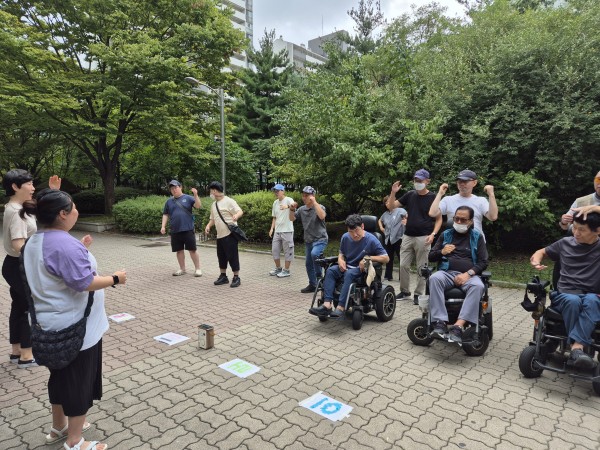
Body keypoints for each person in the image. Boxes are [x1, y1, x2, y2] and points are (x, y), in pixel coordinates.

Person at [21, 188, 127, 450]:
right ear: (62, 214)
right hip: (75, 329)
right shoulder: (63, 244)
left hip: (49, 326)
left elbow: (55, 268)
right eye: (74, 207)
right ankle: (75, 441)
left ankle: (59, 427)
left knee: (60, 378)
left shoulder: (35, 240)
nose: (77, 211)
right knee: (79, 383)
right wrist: (115, 278)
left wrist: (80, 249)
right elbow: (84, 282)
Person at [2, 170, 61, 368]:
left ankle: (17, 351)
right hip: (19, 265)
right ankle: (27, 355)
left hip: (13, 265)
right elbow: (18, 244)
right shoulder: (16, 212)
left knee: (19, 306)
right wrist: (40, 256)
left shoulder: (17, 206)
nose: (33, 188)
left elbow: (42, 207)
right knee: (30, 306)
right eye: (29, 184)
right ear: (15, 187)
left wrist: (53, 192)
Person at [530, 205, 600, 369]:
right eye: (574, 228)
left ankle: (575, 348)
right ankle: (578, 348)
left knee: (593, 301)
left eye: (581, 230)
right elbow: (541, 252)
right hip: (564, 294)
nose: (576, 233)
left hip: (591, 294)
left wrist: (593, 208)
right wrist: (536, 261)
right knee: (573, 301)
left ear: (597, 231)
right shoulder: (565, 243)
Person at [427, 206, 489, 344]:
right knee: (434, 278)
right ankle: (440, 322)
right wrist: (442, 252)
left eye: (463, 219)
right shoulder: (446, 235)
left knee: (478, 286)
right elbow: (431, 256)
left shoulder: (477, 237)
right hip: (447, 273)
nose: (459, 222)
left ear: (471, 221)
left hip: (469, 276)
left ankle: (458, 327)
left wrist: (468, 274)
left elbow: (483, 262)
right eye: (456, 219)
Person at [309, 214, 389, 318]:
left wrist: (368, 258)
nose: (354, 235)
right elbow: (341, 253)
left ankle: (341, 307)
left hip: (361, 270)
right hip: (347, 266)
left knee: (349, 274)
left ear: (362, 226)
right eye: (351, 231)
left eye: (357, 230)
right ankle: (327, 305)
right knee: (330, 270)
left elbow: (386, 258)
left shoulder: (371, 239)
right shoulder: (345, 237)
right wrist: (340, 260)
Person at [386, 169, 442, 300]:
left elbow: (439, 219)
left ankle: (418, 294)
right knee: (403, 265)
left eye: (420, 180)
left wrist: (433, 234)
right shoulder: (410, 194)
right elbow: (391, 206)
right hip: (408, 236)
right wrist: (393, 192)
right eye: (416, 180)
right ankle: (405, 292)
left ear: (427, 181)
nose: (417, 182)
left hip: (424, 237)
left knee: (422, 267)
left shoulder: (433, 197)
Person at [428, 169, 498, 240]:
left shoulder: (481, 200)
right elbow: (432, 213)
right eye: (459, 181)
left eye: (465, 181)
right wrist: (440, 194)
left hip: (475, 242)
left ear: (474, 183)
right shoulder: (448, 200)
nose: (462, 184)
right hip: (453, 241)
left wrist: (491, 195)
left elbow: (493, 217)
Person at [289, 186, 328, 293]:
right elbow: (291, 218)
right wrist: (291, 209)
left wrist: (314, 202)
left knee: (315, 254)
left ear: (312, 196)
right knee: (308, 264)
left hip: (320, 239)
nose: (304, 198)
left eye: (306, 196)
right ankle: (313, 284)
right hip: (308, 240)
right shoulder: (302, 209)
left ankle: (320, 280)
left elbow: (322, 216)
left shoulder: (320, 207)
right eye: (303, 195)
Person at [204, 181, 243, 288]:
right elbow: (213, 219)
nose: (210, 194)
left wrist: (236, 216)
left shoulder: (229, 201)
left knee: (232, 256)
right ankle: (223, 276)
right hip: (220, 235)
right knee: (221, 256)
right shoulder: (214, 204)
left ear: (215, 191)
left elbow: (240, 211)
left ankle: (236, 277)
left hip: (230, 234)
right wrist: (208, 225)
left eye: (211, 191)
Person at [160, 179, 202, 277]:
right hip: (175, 230)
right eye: (172, 188)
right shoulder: (169, 201)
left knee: (192, 250)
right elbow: (165, 214)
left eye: (176, 187)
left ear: (180, 187)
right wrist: (163, 226)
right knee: (179, 250)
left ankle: (198, 269)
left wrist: (196, 195)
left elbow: (198, 206)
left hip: (188, 229)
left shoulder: (188, 198)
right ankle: (182, 269)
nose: (174, 190)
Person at [268, 184, 295, 278]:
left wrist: (287, 206)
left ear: (283, 191)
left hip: (287, 230)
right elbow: (274, 217)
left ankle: (286, 270)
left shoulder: (288, 199)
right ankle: (278, 268)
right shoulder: (275, 203)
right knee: (274, 250)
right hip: (277, 231)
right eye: (274, 191)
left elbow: (294, 205)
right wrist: (272, 228)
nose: (276, 193)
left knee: (288, 251)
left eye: (277, 191)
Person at [378, 195, 407, 281]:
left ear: (394, 201)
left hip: (399, 238)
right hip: (388, 238)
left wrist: (406, 221)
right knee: (389, 257)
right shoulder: (385, 214)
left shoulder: (400, 210)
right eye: (386, 202)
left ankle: (402, 277)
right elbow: (379, 220)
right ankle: (388, 276)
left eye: (389, 201)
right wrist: (381, 227)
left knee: (401, 258)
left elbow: (407, 216)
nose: (387, 204)